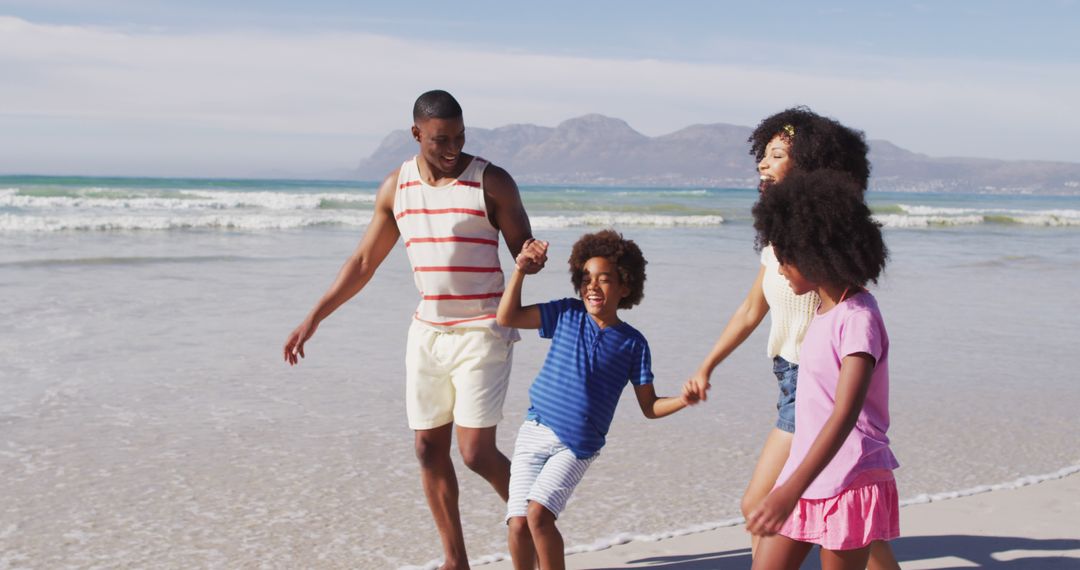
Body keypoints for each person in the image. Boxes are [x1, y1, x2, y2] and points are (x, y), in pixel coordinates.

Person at [282, 90, 545, 570]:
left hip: (482, 330)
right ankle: (455, 561)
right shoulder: (395, 187)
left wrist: (530, 257)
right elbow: (363, 262)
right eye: (441, 139)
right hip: (427, 332)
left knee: (474, 452)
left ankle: (539, 517)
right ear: (416, 134)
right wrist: (314, 316)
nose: (452, 148)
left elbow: (521, 246)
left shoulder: (493, 182)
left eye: (460, 137)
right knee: (427, 448)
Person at [682, 107, 898, 569]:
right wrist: (706, 364)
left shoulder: (825, 246)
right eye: (762, 154)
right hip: (795, 379)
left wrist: (791, 489)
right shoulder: (782, 239)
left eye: (776, 154)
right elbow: (750, 309)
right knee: (849, 526)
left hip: (820, 390)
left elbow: (847, 413)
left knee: (772, 506)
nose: (762, 163)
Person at [496, 231, 692, 570]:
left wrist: (684, 399)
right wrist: (520, 271)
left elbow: (650, 407)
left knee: (539, 516)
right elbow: (507, 316)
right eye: (586, 279)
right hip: (534, 431)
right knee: (518, 524)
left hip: (577, 445)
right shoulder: (566, 314)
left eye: (604, 280)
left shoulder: (633, 343)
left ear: (625, 287)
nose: (592, 286)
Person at [744, 169, 897, 570]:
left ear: (817, 255)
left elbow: (845, 414)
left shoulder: (858, 318)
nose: (779, 270)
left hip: (850, 478)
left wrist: (789, 490)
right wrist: (792, 482)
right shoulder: (821, 308)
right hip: (807, 472)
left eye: (786, 260)